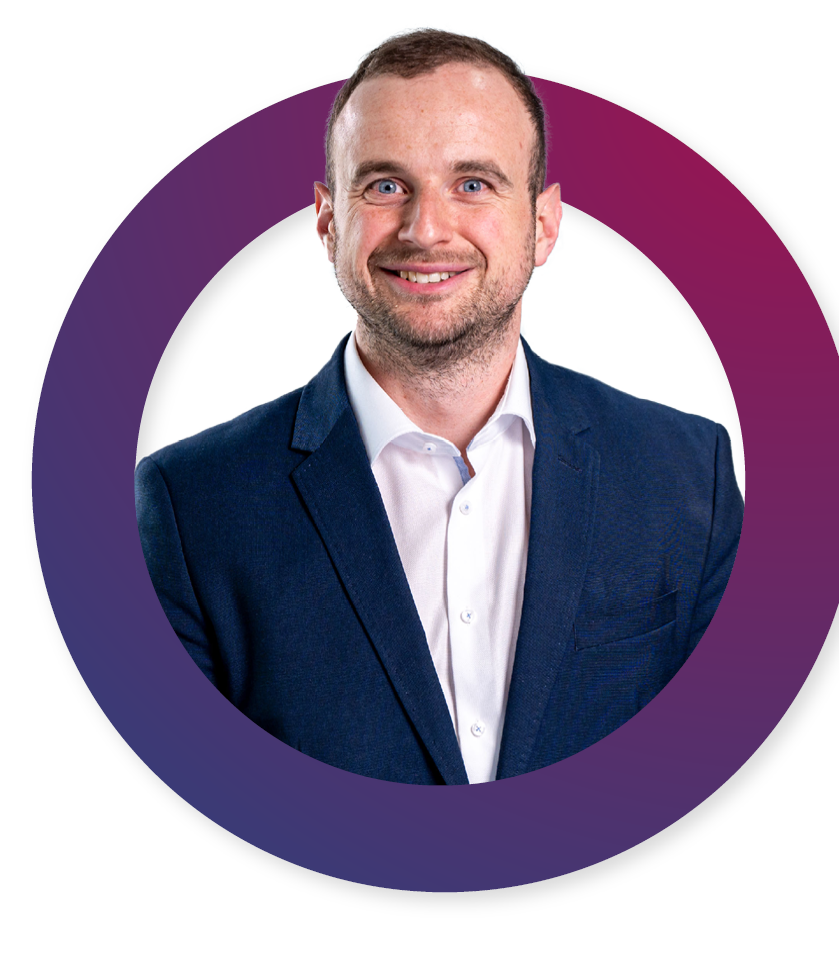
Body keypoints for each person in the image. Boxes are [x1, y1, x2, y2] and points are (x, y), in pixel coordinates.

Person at [135, 27, 744, 786]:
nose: (425, 230)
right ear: (328, 221)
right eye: (385, 186)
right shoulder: (191, 506)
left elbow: (726, 771)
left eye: (474, 184)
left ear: (544, 224)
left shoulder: (686, 476)